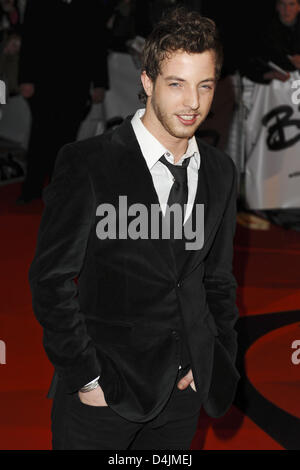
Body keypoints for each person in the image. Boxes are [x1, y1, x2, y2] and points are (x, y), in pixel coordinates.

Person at [29, 6, 240, 450]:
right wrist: (86, 376)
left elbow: (217, 280)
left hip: (183, 396)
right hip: (105, 396)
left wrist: (212, 357)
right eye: (177, 85)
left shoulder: (220, 171)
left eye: (205, 85)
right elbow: (50, 280)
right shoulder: (88, 163)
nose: (193, 104)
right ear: (147, 82)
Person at [16, 0, 109, 203]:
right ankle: (31, 188)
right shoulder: (38, 4)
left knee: (67, 136)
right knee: (40, 135)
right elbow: (29, 39)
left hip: (77, 80)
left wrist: (100, 83)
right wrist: (25, 78)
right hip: (43, 80)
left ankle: (60, 189)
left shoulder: (91, 5)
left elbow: (97, 43)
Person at [241, 0, 300, 84]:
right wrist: (270, 75)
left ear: (298, 7)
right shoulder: (264, 31)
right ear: (277, 7)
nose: (287, 9)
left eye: (292, 4)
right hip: (273, 88)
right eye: (282, 4)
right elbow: (247, 62)